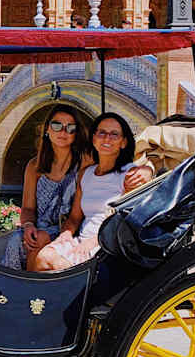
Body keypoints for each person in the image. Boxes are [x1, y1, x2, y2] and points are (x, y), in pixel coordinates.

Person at [29, 112, 153, 272]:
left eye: (114, 134)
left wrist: (149, 169)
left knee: (44, 258)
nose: (107, 138)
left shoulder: (131, 175)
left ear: (123, 142)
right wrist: (65, 234)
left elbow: (123, 222)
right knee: (35, 255)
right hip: (81, 241)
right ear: (94, 138)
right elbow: (74, 218)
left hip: (106, 246)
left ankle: (75, 288)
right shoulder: (86, 173)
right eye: (102, 133)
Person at [1, 105, 91, 270]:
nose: (63, 132)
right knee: (17, 240)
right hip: (37, 227)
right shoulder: (34, 166)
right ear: (47, 129)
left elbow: (76, 217)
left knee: (40, 238)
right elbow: (28, 208)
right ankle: (11, 281)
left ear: (75, 134)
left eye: (70, 128)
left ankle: (28, 285)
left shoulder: (85, 164)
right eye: (57, 125)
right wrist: (28, 225)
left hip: (68, 229)